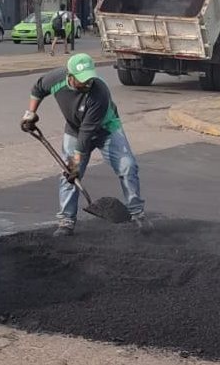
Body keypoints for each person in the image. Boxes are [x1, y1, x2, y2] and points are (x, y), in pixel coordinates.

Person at [20, 53, 148, 236]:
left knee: (128, 166)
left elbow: (87, 131)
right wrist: (30, 113)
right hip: (74, 130)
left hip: (106, 130)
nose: (87, 83)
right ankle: (66, 221)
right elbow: (38, 88)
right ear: (70, 76)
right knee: (68, 176)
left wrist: (76, 162)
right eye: (82, 80)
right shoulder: (56, 78)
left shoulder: (100, 91)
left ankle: (137, 215)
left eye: (89, 78)